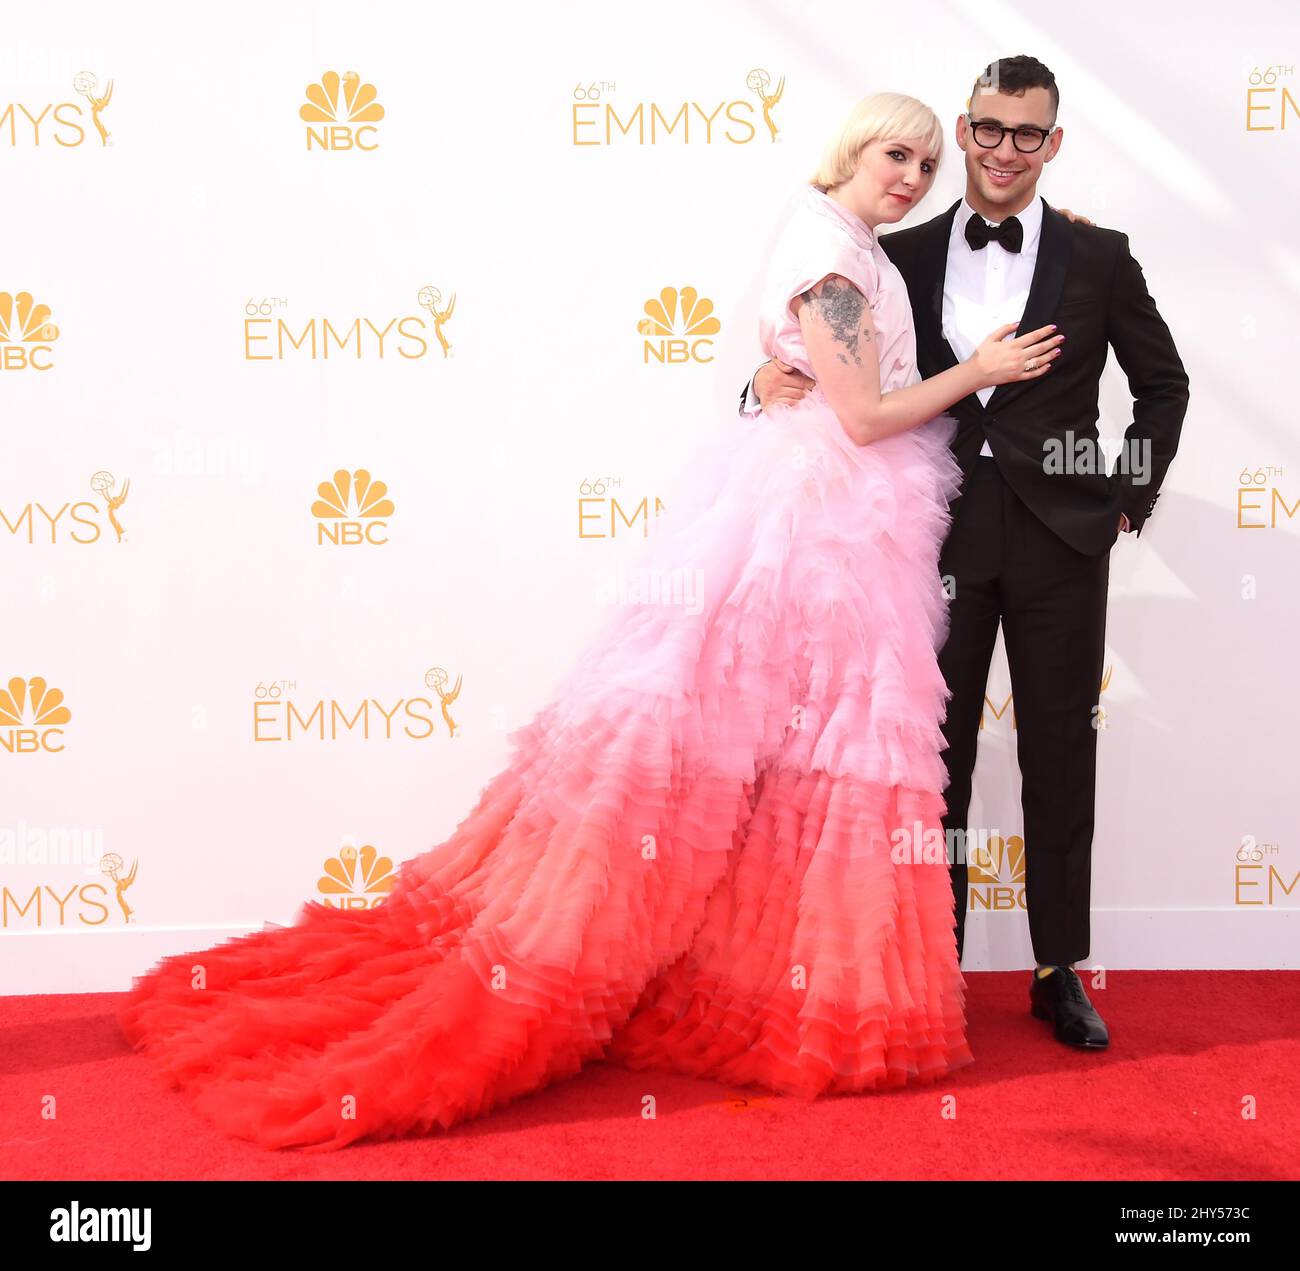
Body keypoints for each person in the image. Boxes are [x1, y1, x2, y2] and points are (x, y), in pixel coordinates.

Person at [117, 91, 1063, 1152]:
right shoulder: (829, 251)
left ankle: (754, 977)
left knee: (790, 754)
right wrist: (977, 371)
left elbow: (823, 384)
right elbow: (862, 411)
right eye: (897, 152)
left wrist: (776, 381)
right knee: (789, 745)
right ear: (852, 148)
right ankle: (752, 986)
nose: (911, 174)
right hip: (816, 525)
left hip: (831, 512)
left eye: (927, 163)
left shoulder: (841, 241)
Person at [745, 56, 1189, 1049]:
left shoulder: (1101, 257)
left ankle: (1055, 967)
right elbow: (825, 352)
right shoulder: (889, 248)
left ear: (1052, 143)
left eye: (1024, 133)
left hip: (1061, 540)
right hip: (927, 534)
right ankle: (927, 965)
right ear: (966, 127)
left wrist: (1128, 495)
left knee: (1057, 754)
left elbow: (1163, 384)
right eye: (985, 129)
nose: (1000, 150)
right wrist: (758, 387)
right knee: (924, 763)